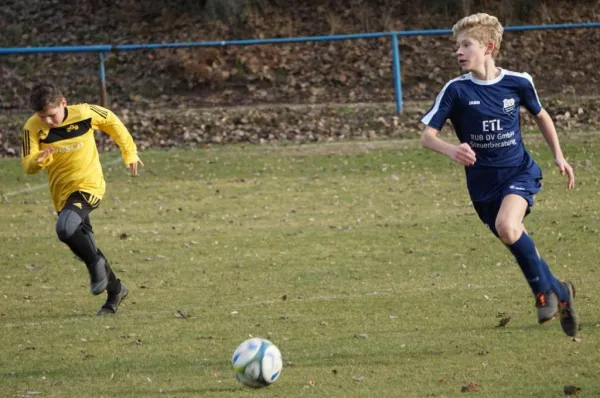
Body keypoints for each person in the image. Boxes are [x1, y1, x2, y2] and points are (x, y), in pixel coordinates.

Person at [420, 13, 578, 336]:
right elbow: (427, 136)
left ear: (488, 47)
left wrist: (559, 156)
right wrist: (453, 150)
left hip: (519, 172)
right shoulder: (456, 91)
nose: (458, 52)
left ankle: (543, 295)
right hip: (483, 187)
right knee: (513, 234)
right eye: (457, 46)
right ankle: (560, 291)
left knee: (508, 226)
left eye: (467, 45)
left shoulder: (518, 82)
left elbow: (541, 116)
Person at [20, 83, 143, 316]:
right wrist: (39, 159)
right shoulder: (32, 127)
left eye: (51, 115)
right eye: (41, 116)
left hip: (89, 186)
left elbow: (112, 122)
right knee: (85, 244)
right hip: (62, 195)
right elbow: (28, 165)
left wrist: (130, 153)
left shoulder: (85, 113)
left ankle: (95, 269)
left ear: (63, 103)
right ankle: (116, 290)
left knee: (65, 230)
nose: (47, 121)